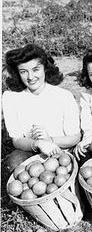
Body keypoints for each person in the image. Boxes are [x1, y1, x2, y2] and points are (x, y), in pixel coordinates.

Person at [2, 44, 81, 172]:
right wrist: (38, 143)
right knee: (15, 161)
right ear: (17, 72)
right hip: (29, 151)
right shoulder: (11, 98)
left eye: (36, 69)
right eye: (23, 72)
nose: (30, 77)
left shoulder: (63, 96)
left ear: (45, 68)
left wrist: (50, 140)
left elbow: (75, 137)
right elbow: (16, 140)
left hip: (60, 150)